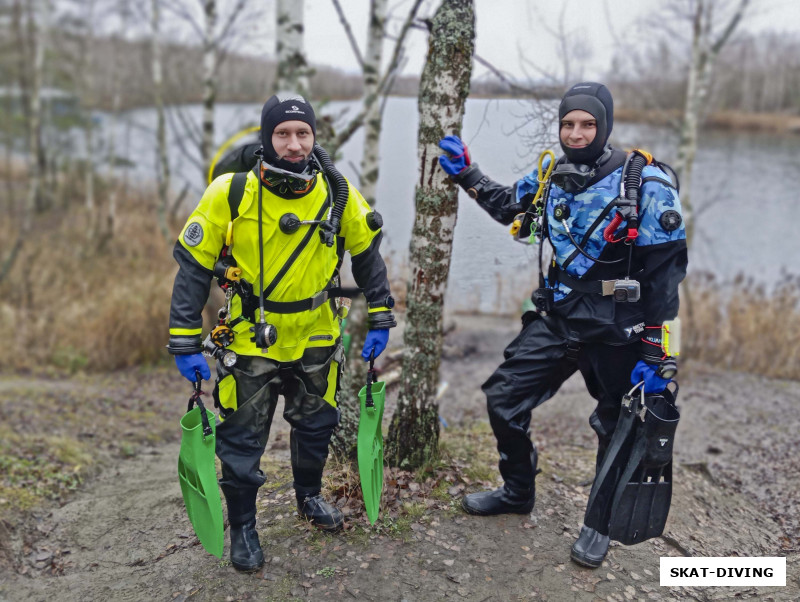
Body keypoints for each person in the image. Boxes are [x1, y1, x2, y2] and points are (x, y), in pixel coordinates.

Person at [438, 82, 687, 568]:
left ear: (605, 126)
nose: (576, 133)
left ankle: (598, 525)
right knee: (503, 397)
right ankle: (517, 490)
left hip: (619, 328)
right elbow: (510, 204)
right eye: (568, 123)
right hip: (560, 316)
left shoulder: (648, 184)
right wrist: (466, 173)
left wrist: (660, 353)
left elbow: (668, 278)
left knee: (615, 425)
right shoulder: (551, 174)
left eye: (587, 124)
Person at [167, 93, 397, 572]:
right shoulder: (231, 193)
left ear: (314, 138)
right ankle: (244, 527)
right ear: (267, 139)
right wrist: (183, 339)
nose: (294, 144)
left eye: (303, 134)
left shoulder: (336, 192)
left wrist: (381, 314)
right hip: (251, 339)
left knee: (316, 426)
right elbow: (192, 268)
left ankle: (308, 498)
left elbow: (368, 252)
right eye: (283, 134)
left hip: (316, 335)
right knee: (241, 439)